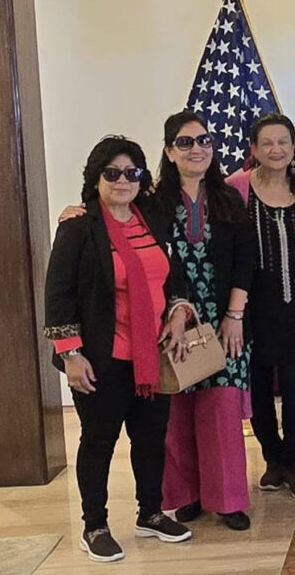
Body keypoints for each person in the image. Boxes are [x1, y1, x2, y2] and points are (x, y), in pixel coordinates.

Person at [44, 136, 193, 563]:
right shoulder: (78, 227)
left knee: (150, 439)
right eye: (112, 173)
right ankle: (95, 526)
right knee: (99, 442)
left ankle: (151, 513)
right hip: (100, 359)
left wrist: (179, 313)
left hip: (152, 357)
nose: (122, 180)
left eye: (132, 172)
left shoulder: (152, 221)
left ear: (142, 179)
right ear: (96, 178)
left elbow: (173, 277)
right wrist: (71, 354)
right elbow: (58, 293)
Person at [153, 111, 255, 531]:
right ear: (168, 151)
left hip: (225, 321)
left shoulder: (228, 197)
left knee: (222, 407)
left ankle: (228, 501)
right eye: (185, 142)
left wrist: (235, 315)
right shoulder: (152, 202)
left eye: (203, 140)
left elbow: (246, 260)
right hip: (171, 321)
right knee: (176, 410)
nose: (196, 149)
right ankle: (187, 496)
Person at [226, 113, 295, 499]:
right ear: (253, 148)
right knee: (260, 388)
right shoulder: (235, 189)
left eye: (283, 141)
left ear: (293, 146)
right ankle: (272, 460)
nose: (276, 149)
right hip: (254, 310)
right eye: (267, 142)